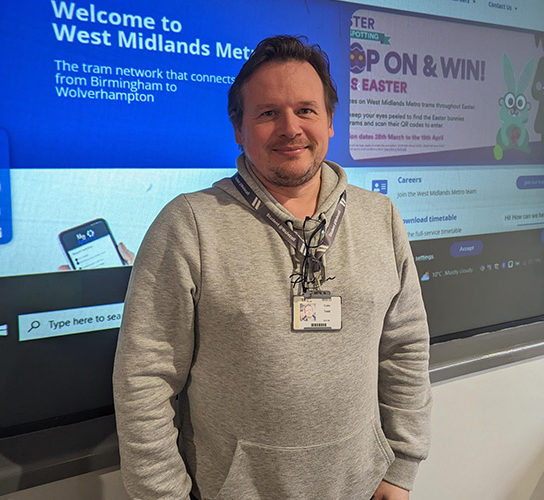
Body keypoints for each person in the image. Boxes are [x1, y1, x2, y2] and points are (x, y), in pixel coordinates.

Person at [113, 35, 432, 500]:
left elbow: (405, 348)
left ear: (330, 122)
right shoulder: (189, 224)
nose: (290, 127)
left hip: (364, 489)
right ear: (238, 128)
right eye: (268, 113)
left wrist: (401, 466)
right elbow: (144, 375)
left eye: (306, 110)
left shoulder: (380, 216)